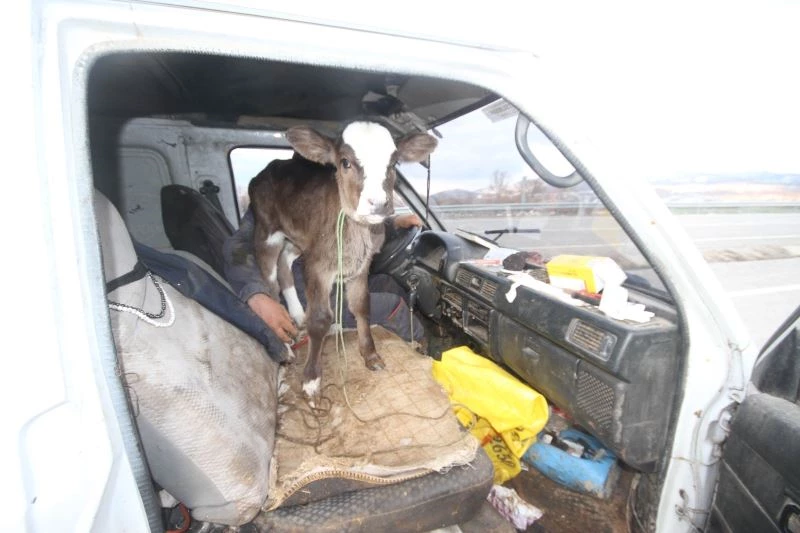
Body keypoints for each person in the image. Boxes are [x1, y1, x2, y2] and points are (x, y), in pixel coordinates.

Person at [222, 207, 425, 347]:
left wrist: (394, 223)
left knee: (386, 282)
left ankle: (402, 339)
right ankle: (421, 348)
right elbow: (240, 246)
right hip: (304, 299)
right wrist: (257, 296)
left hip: (329, 283)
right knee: (393, 305)